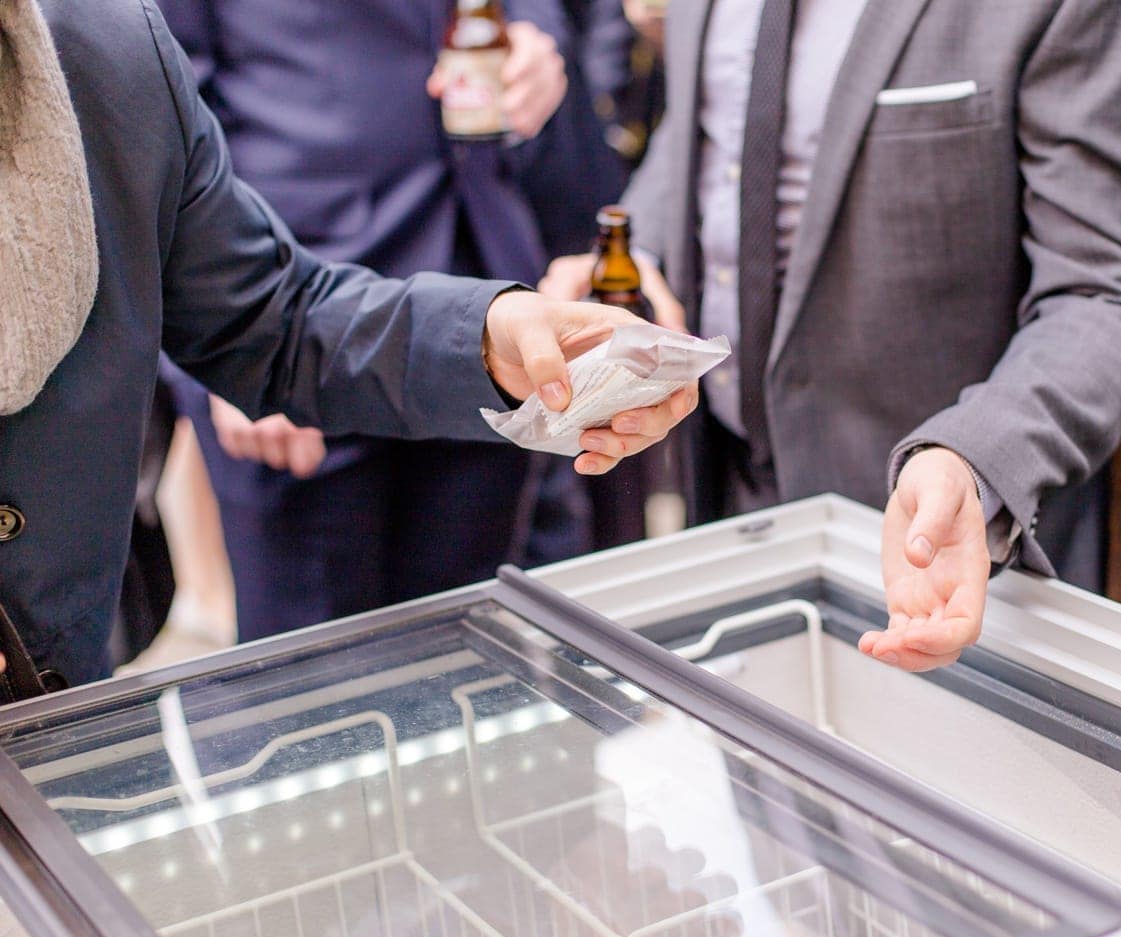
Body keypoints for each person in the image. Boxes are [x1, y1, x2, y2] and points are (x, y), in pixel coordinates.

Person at [0, 0, 696, 692]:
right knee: (307, 692)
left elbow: (272, 317)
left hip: (450, 284)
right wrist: (216, 373)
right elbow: (173, 151)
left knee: (472, 674)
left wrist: (488, 334)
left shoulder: (96, 36)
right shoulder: (118, 36)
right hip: (292, 311)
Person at [541, 0, 1121, 670]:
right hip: (732, 516)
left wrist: (970, 457)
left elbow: (1112, 293)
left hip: (948, 564)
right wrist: (637, 258)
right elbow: (709, 129)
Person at [153, 0, 629, 641]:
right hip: (296, 329)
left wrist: (538, 43)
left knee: (475, 650)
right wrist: (228, 348)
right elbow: (157, 133)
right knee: (314, 685)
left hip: (484, 287)